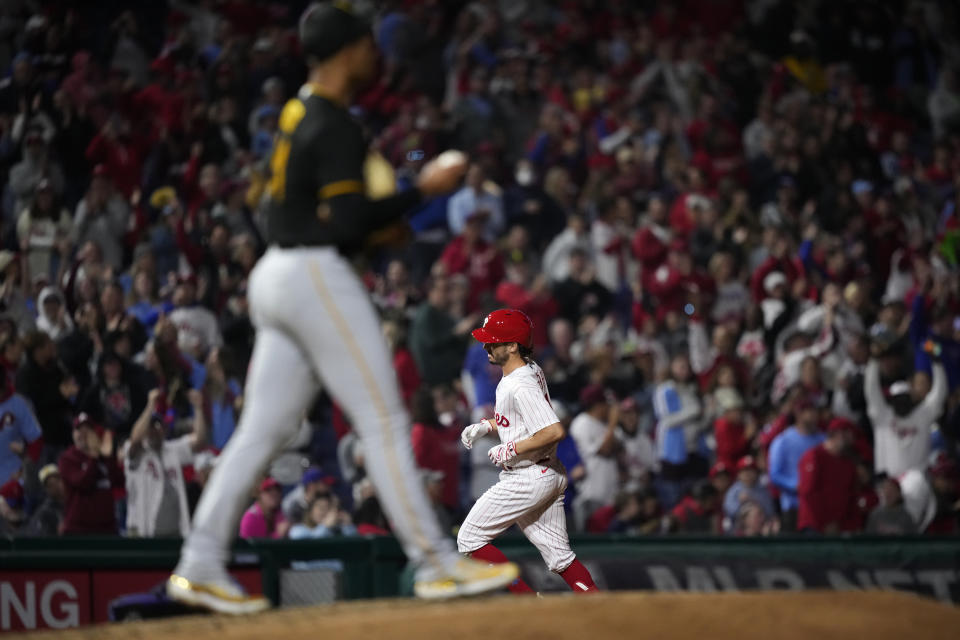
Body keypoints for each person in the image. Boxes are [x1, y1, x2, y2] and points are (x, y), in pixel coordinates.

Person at [169, 3, 518, 614]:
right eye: (365, 45)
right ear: (345, 51)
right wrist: (422, 191)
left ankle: (199, 561)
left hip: (276, 272)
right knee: (383, 419)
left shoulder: (297, 110)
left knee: (263, 430)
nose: (373, 55)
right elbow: (352, 218)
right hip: (313, 272)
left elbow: (325, 215)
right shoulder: (332, 122)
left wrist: (375, 226)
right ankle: (435, 562)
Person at [458, 308, 599, 594]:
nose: (486, 345)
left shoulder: (519, 383)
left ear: (512, 346)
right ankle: (600, 608)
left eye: (494, 341)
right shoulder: (528, 369)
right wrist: (487, 425)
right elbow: (522, 420)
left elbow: (554, 431)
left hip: (528, 476)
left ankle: (525, 601)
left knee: (469, 538)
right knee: (561, 558)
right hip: (545, 472)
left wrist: (511, 448)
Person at [122, 389, 208, 537]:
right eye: (151, 426)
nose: (156, 430)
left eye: (159, 425)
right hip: (142, 531)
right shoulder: (137, 452)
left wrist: (199, 409)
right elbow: (135, 438)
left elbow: (199, 440)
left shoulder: (172, 449)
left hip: (174, 531)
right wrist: (150, 406)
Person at [865, 355, 947, 478]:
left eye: (905, 398)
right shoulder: (883, 416)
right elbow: (871, 390)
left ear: (911, 398)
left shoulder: (922, 415)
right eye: (898, 399)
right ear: (891, 401)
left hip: (919, 481)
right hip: (890, 483)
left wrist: (937, 363)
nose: (902, 403)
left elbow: (939, 394)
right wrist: (874, 361)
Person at [58, 414, 123, 534]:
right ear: (73, 434)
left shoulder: (104, 457)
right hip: (78, 530)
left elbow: (119, 481)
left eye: (87, 430)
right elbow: (83, 482)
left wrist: (109, 457)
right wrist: (94, 456)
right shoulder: (67, 458)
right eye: (79, 430)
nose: (83, 434)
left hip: (107, 528)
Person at [767, 398, 825, 530]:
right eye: (808, 411)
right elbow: (774, 474)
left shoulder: (823, 440)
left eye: (814, 411)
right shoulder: (783, 440)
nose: (813, 415)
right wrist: (796, 485)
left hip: (819, 506)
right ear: (798, 414)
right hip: (793, 506)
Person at [569, 384, 621, 530]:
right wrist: (612, 424)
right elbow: (605, 450)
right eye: (606, 404)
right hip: (591, 494)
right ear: (597, 405)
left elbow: (618, 448)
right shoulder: (582, 423)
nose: (610, 409)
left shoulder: (603, 425)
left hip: (609, 493)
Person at [796, 419, 859, 533]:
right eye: (850, 435)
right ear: (839, 434)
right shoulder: (814, 456)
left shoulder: (848, 463)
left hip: (840, 527)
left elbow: (851, 495)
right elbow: (808, 492)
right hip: (814, 525)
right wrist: (826, 522)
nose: (852, 440)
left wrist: (848, 524)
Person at [722, 456, 774, 528]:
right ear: (739, 474)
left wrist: (754, 501)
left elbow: (770, 512)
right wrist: (739, 502)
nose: (748, 474)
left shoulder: (762, 489)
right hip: (737, 530)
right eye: (744, 470)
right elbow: (728, 512)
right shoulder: (733, 490)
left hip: (760, 529)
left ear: (756, 473)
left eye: (751, 470)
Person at [23, 463, 65, 536]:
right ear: (46, 489)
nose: (56, 487)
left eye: (57, 480)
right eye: (50, 485)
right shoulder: (45, 512)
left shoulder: (75, 502)